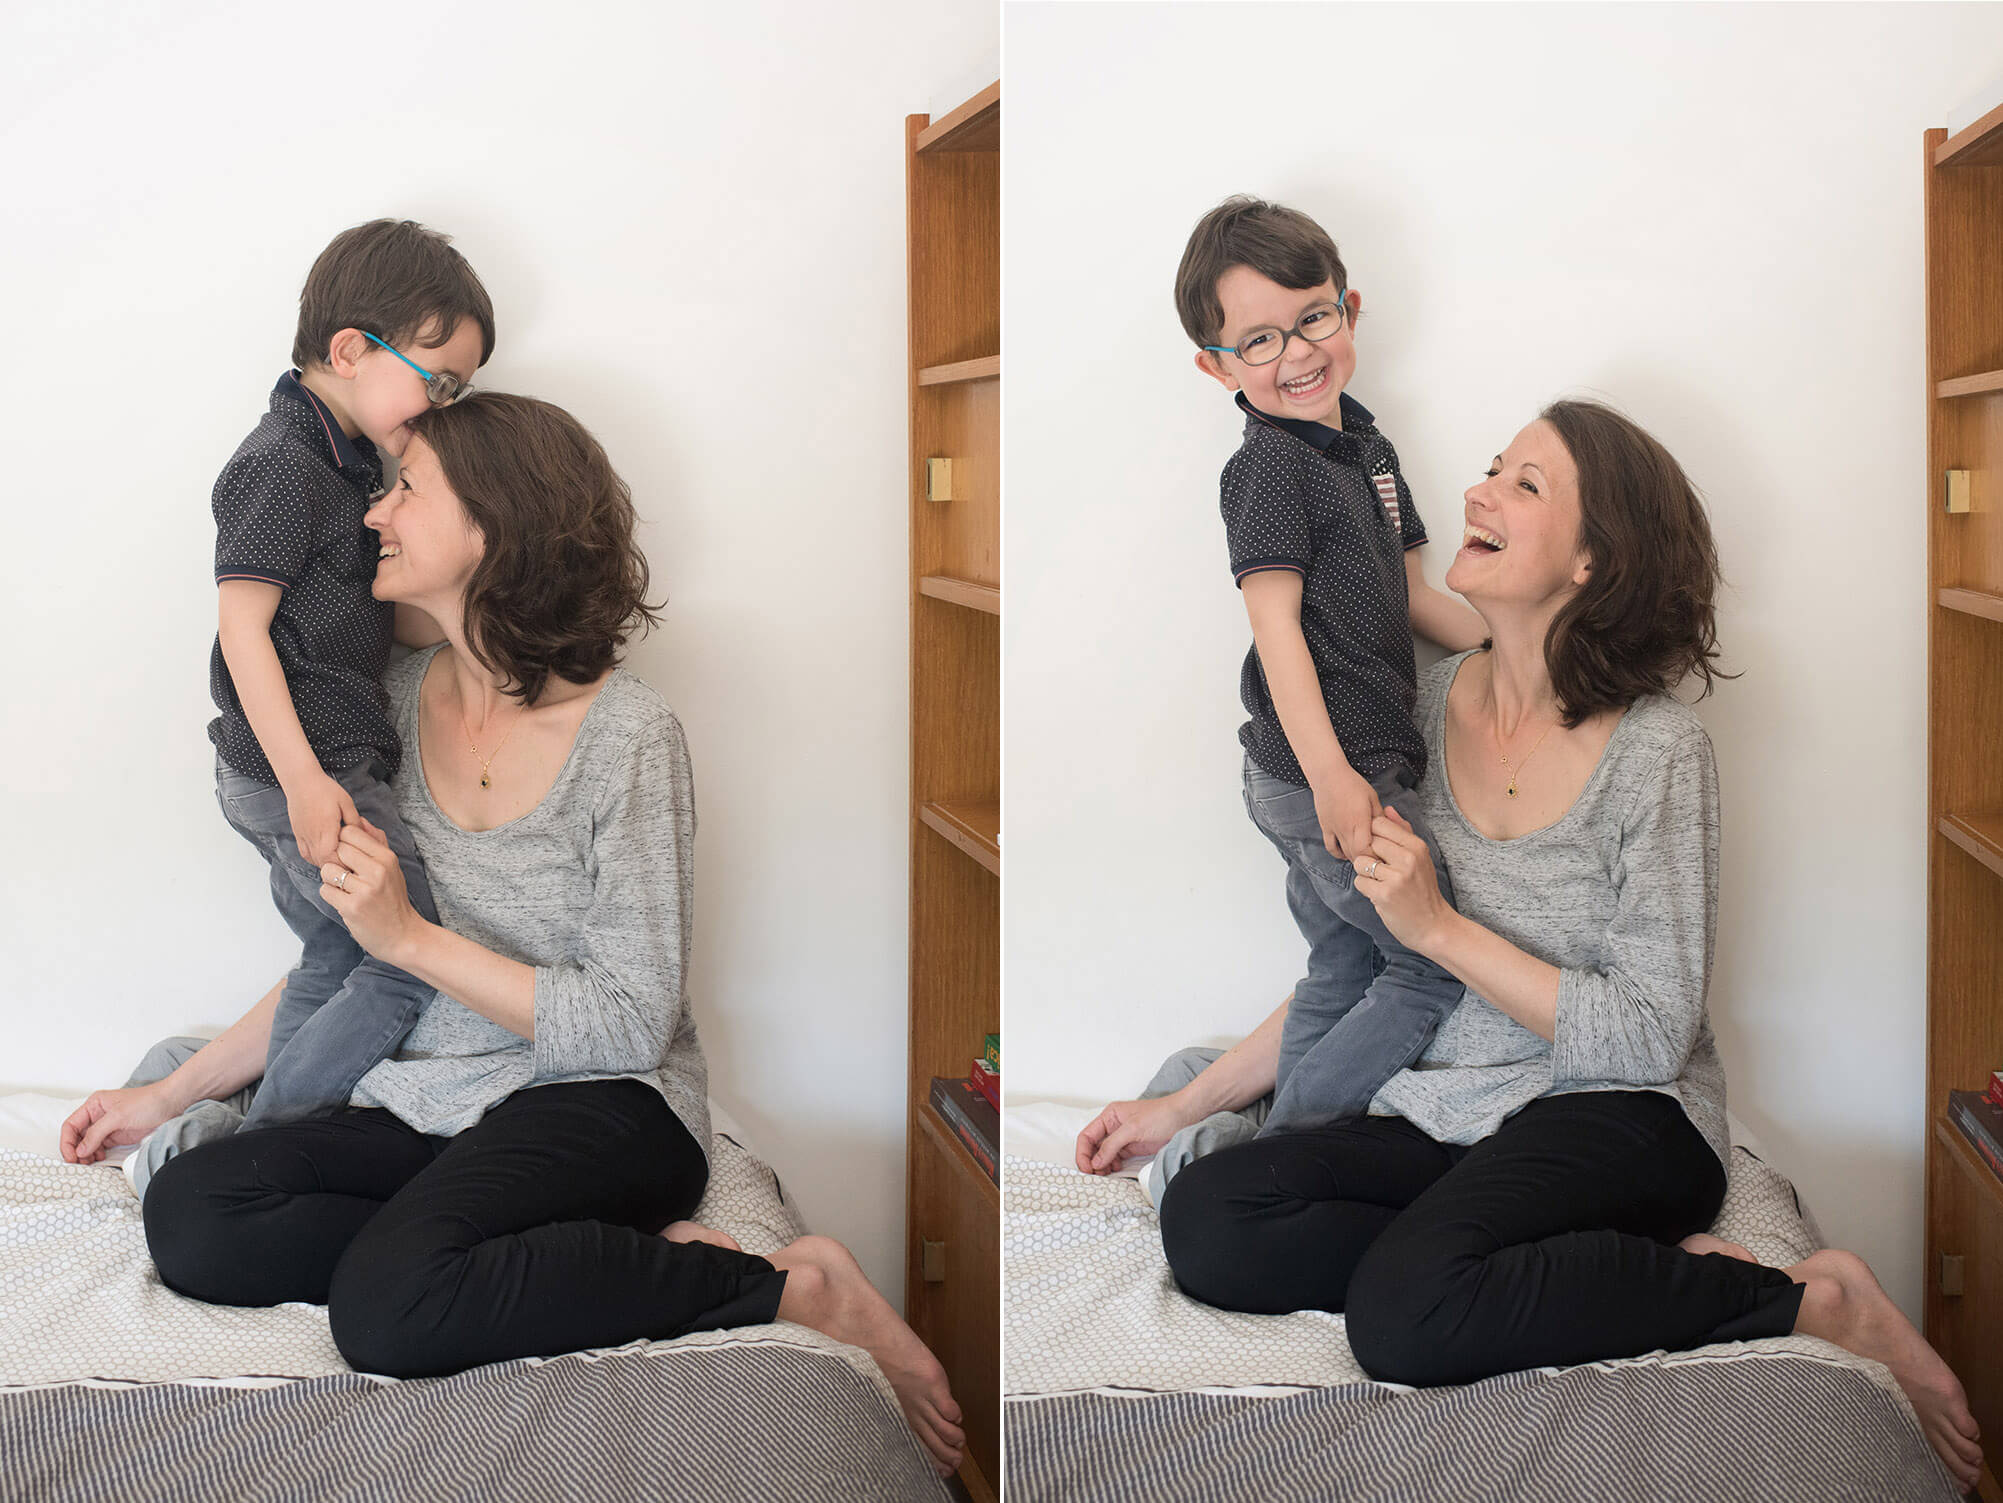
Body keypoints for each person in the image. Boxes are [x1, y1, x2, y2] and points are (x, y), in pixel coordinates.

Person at [1078, 399, 1983, 1491]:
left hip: (1620, 1117)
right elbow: (1361, 965)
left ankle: (1802, 1300)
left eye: (1524, 484)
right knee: (1211, 1218)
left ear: (1593, 561)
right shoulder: (1403, 717)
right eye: (1490, 469)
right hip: (1451, 1118)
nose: (1475, 493)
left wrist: (1441, 928)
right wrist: (1181, 1110)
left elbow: (1648, 1033)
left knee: (1402, 1314)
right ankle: (1545, 1261)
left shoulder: (1655, 753)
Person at [61, 392, 964, 1476]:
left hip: (603, 1105)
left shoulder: (626, 738)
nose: (372, 516)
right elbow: (345, 956)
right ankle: (579, 1256)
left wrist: (412, 941)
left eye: (405, 490)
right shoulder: (382, 703)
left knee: (387, 1307)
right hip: (435, 1104)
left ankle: (786, 1286)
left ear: (491, 523)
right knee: (196, 1210)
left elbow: (628, 1021)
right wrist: (169, 1098)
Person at [1176, 196, 1485, 1146]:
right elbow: (1276, 630)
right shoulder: (1268, 468)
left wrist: (1515, 641)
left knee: (1345, 964)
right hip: (1321, 769)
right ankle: (1287, 1152)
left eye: (1312, 317)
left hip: (1341, 765)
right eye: (1258, 340)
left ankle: (1265, 1136)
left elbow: (1411, 593)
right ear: (1214, 366)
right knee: (1428, 966)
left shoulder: (1369, 449)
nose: (1297, 353)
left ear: (1349, 307)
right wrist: (1334, 779)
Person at [206, 218, 492, 1138]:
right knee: (408, 946)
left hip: (325, 757)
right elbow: (241, 629)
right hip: (296, 763)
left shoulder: (353, 460)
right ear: (348, 350)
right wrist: (302, 778)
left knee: (335, 951)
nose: (442, 405)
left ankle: (263, 1133)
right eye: (435, 377)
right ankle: (268, 1145)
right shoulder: (283, 466)